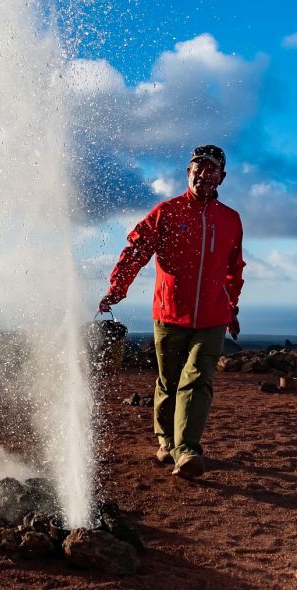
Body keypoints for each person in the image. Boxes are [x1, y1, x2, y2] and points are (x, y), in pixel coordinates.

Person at [98, 145, 245, 479]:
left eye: (212, 170)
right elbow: (136, 250)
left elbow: (233, 270)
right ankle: (166, 441)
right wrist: (117, 288)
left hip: (212, 318)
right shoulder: (166, 212)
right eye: (199, 168)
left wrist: (231, 307)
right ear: (188, 171)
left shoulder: (230, 220)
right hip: (168, 314)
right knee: (169, 380)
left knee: (197, 380)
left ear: (221, 176)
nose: (205, 175)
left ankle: (187, 449)